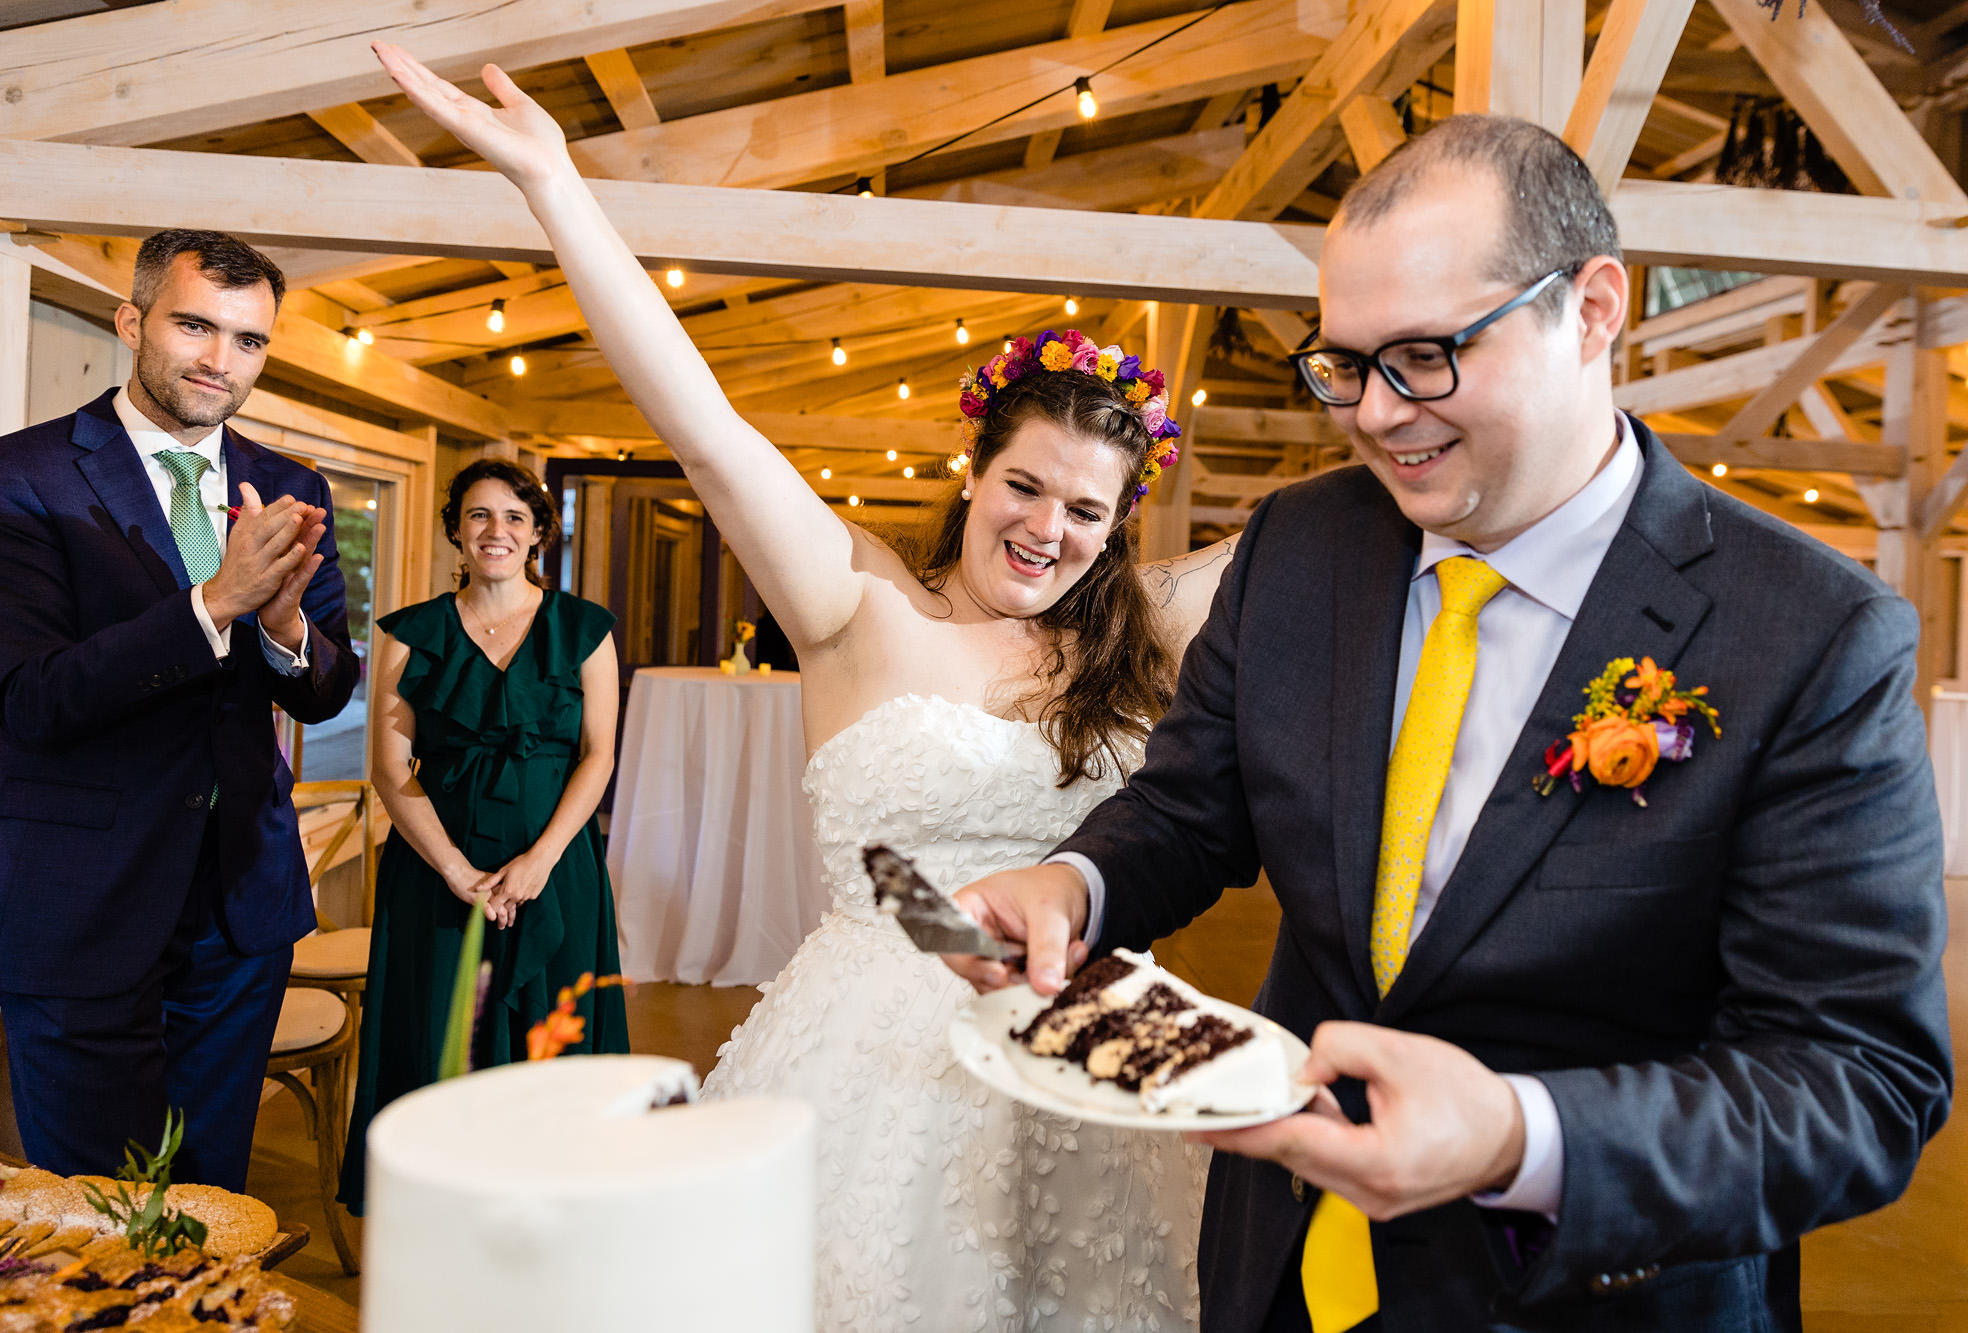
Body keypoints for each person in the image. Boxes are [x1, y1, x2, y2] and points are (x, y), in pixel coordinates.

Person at [950, 115, 1951, 1333]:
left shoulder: (1809, 632)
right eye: (1343, 365)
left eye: (1424, 356)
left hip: (1585, 1293)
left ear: (1590, 310)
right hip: (1280, 1262)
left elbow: (1857, 1081)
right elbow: (1187, 805)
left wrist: (1515, 1137)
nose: (1374, 414)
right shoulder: (1299, 546)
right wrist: (1075, 883)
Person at [373, 41, 1242, 1330]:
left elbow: (1326, 531)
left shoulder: (1141, 629)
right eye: (1022, 486)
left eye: (1084, 510)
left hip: (1093, 1074)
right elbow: (706, 428)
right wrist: (555, 184)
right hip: (879, 1073)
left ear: (1117, 527)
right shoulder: (859, 606)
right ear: (973, 474)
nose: (1046, 530)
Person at [0, 229, 360, 1190]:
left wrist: (284, 632)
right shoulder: (9, 478)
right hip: (79, 901)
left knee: (209, 1196)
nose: (220, 361)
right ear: (132, 320)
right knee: (98, 1213)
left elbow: (328, 685)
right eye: (194, 325)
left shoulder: (296, 486)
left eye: (249, 340)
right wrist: (214, 603)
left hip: (240, 908)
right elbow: (36, 698)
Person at [338, 458, 627, 1214]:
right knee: (440, 1034)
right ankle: (442, 1214)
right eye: (477, 516)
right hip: (436, 872)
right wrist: (455, 868)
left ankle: (560, 1206)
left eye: (513, 517)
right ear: (456, 534)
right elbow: (391, 764)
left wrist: (539, 860)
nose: (495, 531)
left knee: (552, 1037)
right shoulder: (412, 634)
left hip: (555, 867)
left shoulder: (585, 631)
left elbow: (599, 754)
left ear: (537, 534)